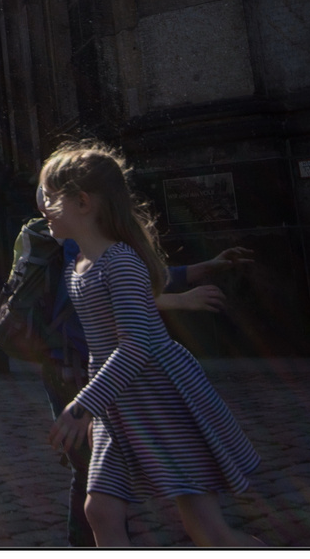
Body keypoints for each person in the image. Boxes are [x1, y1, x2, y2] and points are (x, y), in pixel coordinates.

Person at [41, 142, 262, 547]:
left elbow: (135, 346)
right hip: (116, 402)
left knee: (207, 530)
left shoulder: (120, 261)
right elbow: (105, 348)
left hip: (158, 395)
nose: (43, 206)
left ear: (83, 202)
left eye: (51, 197)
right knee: (101, 512)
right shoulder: (78, 266)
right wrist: (95, 407)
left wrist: (82, 406)